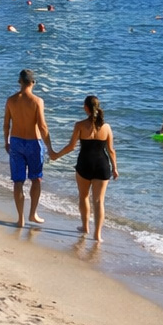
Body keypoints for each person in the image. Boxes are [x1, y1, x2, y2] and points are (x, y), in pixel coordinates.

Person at [50, 95, 118, 241]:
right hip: (102, 165)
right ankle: (97, 235)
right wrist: (115, 168)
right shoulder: (106, 127)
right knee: (99, 201)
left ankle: (85, 226)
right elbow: (111, 150)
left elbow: (71, 147)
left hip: (84, 164)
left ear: (86, 108)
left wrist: (56, 155)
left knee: (84, 196)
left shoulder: (79, 125)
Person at [3, 69, 50, 227]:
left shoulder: (11, 100)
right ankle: (32, 214)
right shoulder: (37, 101)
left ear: (19, 82)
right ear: (33, 82)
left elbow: (6, 125)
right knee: (36, 179)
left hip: (16, 142)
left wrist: (6, 142)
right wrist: (49, 146)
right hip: (33, 142)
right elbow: (42, 126)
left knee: (18, 181)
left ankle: (20, 219)